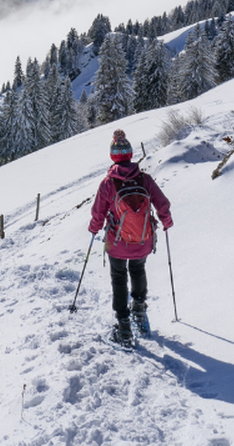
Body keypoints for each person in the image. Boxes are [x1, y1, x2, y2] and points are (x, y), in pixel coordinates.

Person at [88, 129, 172, 342]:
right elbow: (162, 204)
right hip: (143, 240)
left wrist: (93, 228)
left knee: (118, 277)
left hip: (116, 242)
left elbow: (98, 212)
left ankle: (124, 327)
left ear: (112, 156)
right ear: (130, 154)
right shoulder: (144, 179)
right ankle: (140, 311)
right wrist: (166, 221)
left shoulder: (108, 183)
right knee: (138, 269)